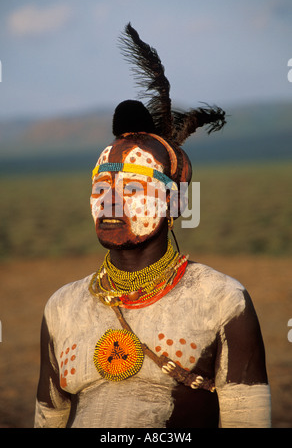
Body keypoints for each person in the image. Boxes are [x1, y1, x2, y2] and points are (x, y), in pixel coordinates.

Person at [34, 24, 271, 428]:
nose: (110, 200)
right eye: (101, 186)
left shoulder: (222, 302)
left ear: (176, 202)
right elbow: (48, 420)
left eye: (133, 188)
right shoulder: (62, 308)